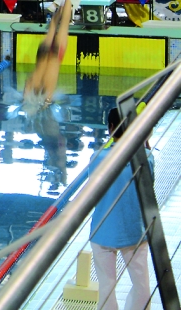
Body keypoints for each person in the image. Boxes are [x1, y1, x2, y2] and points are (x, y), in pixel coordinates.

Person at [89, 106, 153, 310]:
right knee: (142, 286)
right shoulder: (145, 158)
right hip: (134, 232)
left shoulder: (97, 158)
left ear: (110, 128)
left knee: (106, 288)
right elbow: (148, 187)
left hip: (102, 231)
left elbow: (93, 191)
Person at [22, 0, 72, 114]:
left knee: (63, 24)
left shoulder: (44, 85)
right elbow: (25, 98)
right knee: (54, 26)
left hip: (56, 56)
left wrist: (44, 107)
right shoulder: (31, 84)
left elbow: (47, 101)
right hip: (42, 55)